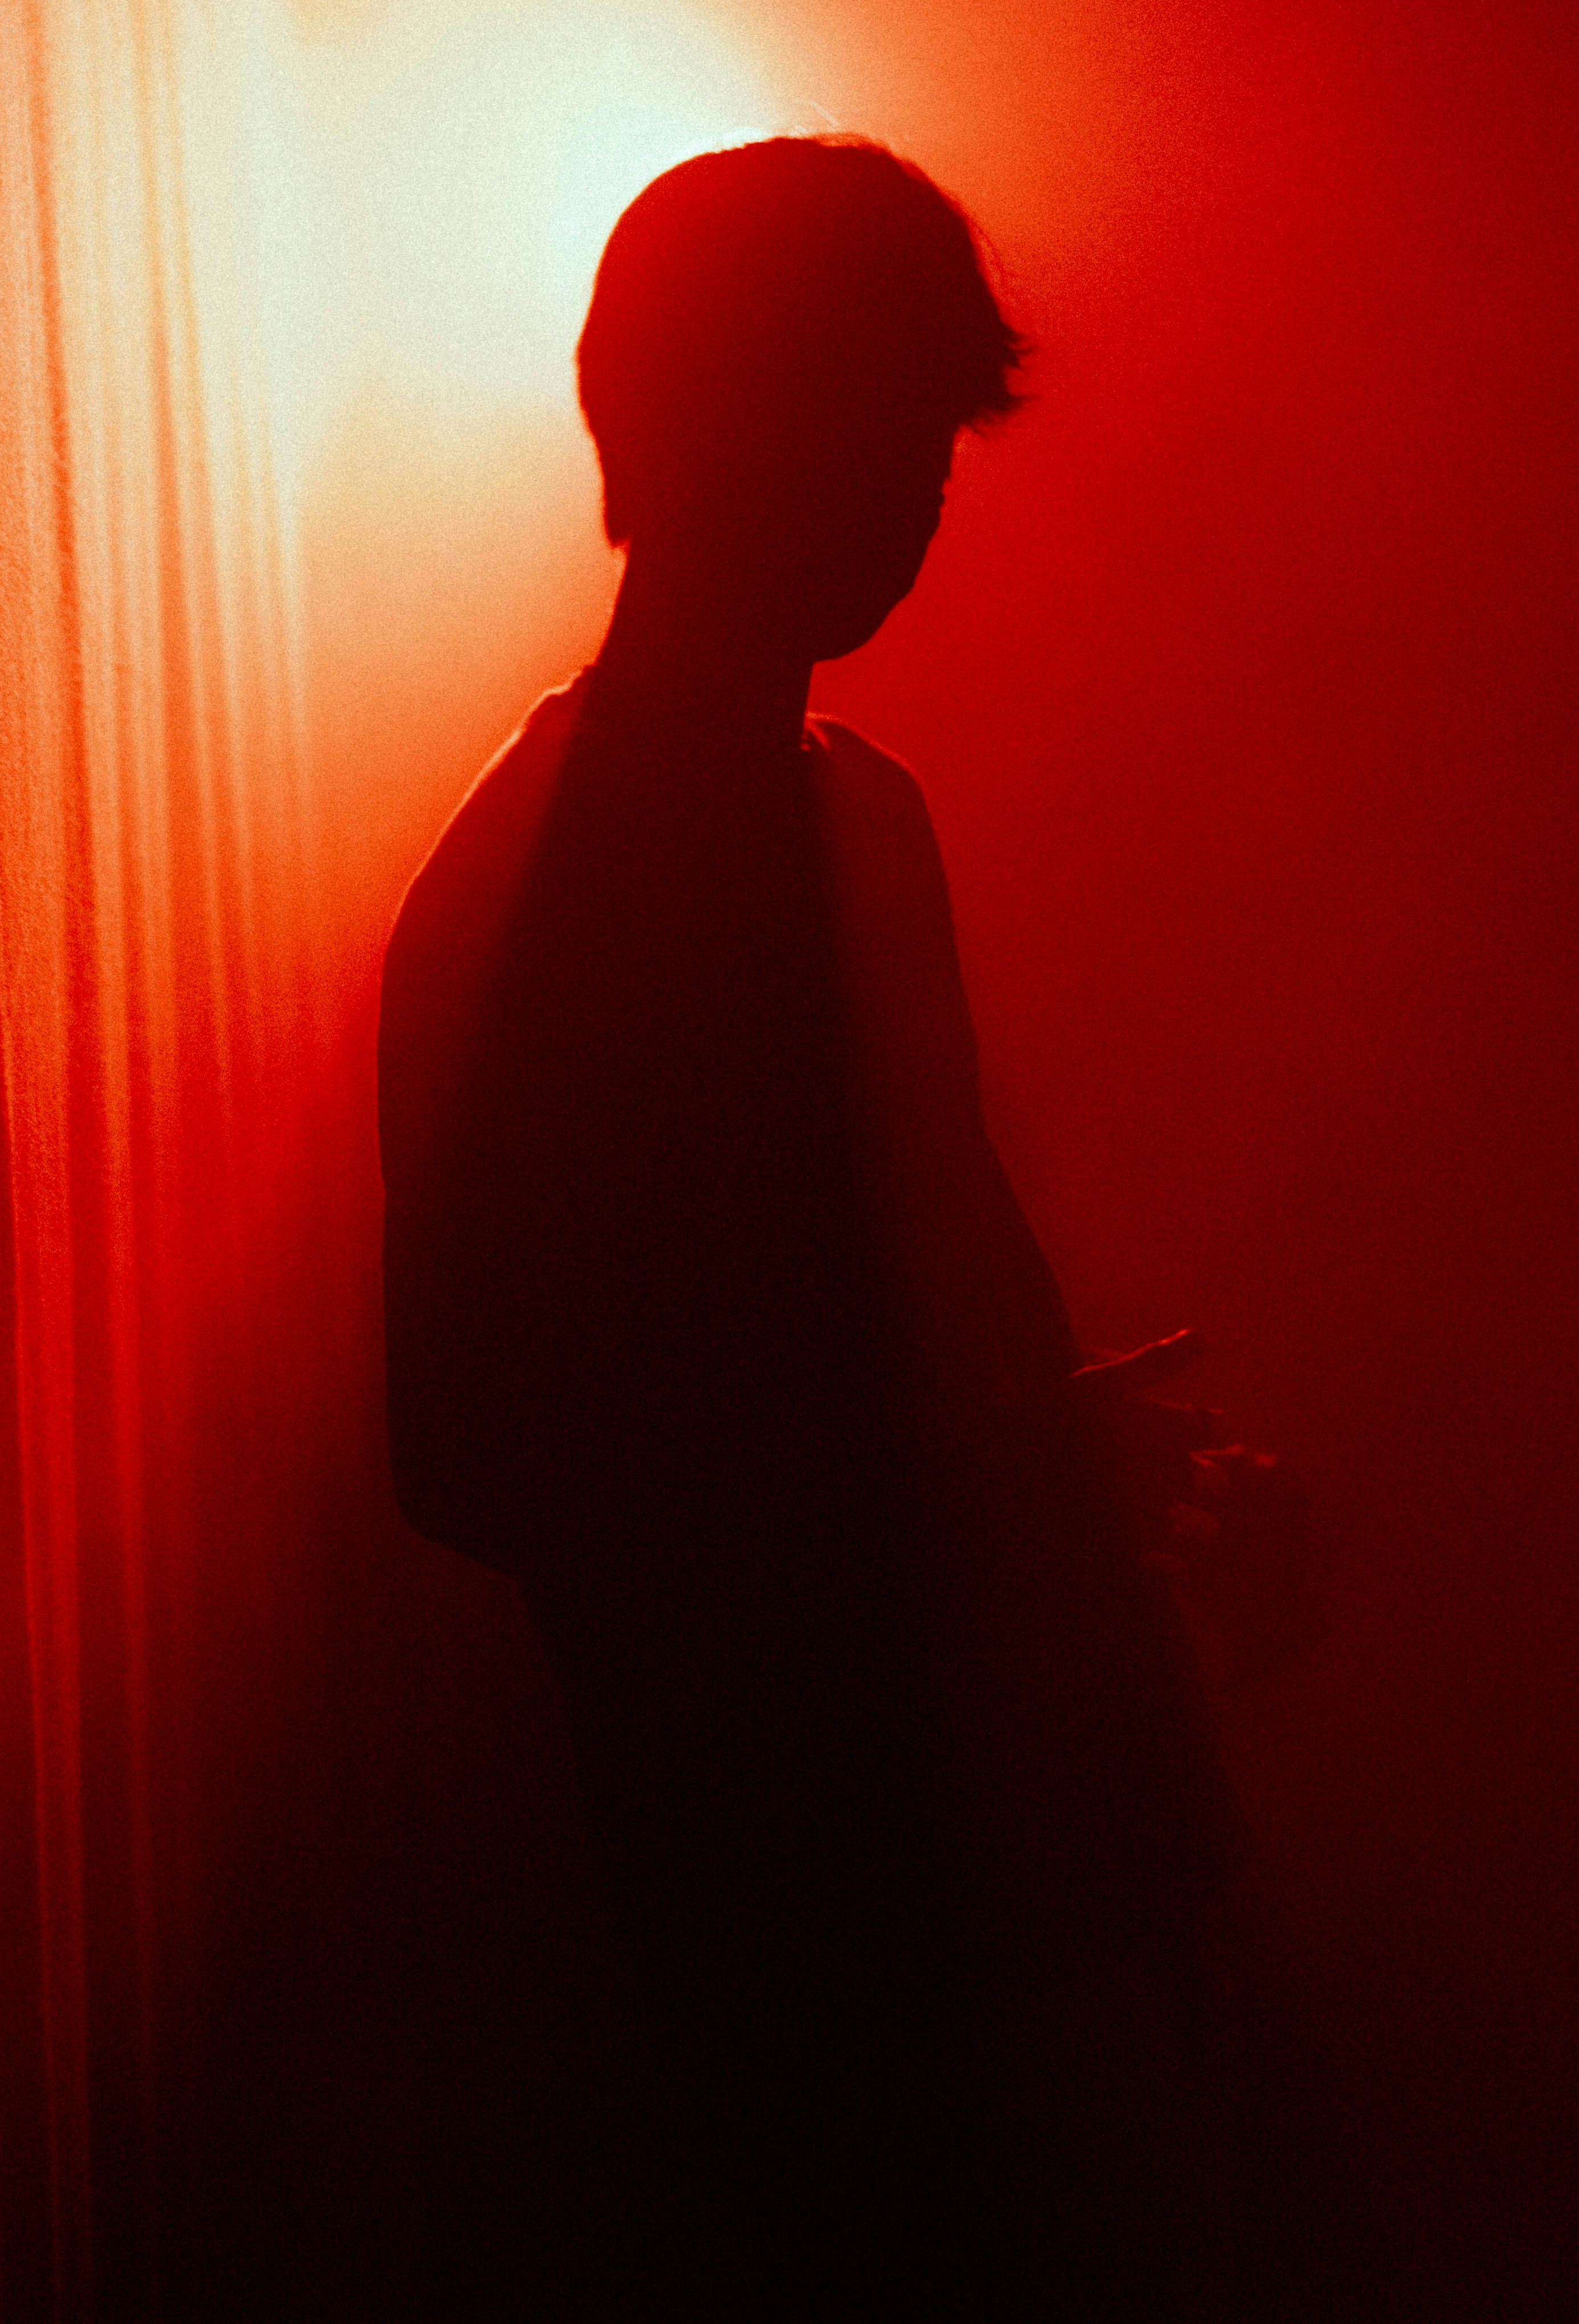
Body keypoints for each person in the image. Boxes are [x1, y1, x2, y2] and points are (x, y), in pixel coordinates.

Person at [378, 139, 1255, 2314]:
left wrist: (1113, 1497)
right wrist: (928, 1483)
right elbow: (466, 1453)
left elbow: (975, 1326)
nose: (911, 493)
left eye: (920, 437)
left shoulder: (860, 826)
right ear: (683, 427)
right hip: (768, 1943)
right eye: (862, 420)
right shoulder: (535, 896)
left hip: (979, 1895)